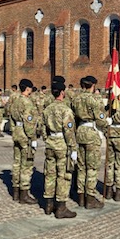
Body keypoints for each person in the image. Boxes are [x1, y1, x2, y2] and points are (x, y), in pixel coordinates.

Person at [43, 76, 77, 218]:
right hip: (62, 144)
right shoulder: (66, 110)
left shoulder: (47, 109)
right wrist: (73, 148)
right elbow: (69, 132)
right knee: (63, 175)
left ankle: (49, 204)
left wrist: (48, 139)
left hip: (50, 143)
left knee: (50, 174)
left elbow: (43, 128)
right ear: (62, 92)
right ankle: (61, 207)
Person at [70, 76, 107, 208]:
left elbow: (72, 117)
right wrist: (106, 126)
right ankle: (90, 198)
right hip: (91, 133)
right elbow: (101, 119)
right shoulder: (93, 99)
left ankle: (80, 197)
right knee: (92, 167)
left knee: (81, 166)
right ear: (93, 86)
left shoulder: (75, 99)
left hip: (80, 132)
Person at [8, 79, 40, 205]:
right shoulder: (27, 103)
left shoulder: (15, 101)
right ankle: (24, 194)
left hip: (16, 132)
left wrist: (14, 130)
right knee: (26, 164)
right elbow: (29, 123)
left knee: (17, 163)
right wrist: (32, 138)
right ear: (27, 89)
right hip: (25, 135)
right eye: (30, 88)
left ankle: (15, 191)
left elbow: (11, 117)